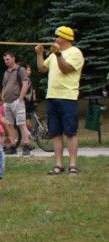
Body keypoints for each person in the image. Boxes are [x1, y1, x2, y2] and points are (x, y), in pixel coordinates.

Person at [35, 26, 84, 175]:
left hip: (68, 97)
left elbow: (66, 69)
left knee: (70, 132)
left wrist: (58, 54)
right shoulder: (53, 54)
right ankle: (58, 165)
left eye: (57, 36)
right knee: (55, 132)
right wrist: (39, 54)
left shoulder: (75, 52)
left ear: (65, 38)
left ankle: (73, 165)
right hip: (52, 96)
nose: (54, 39)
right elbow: (42, 69)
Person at [1, 52, 32, 155]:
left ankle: (26, 146)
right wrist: (2, 99)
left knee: (21, 124)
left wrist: (20, 99)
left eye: (8, 59)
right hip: (7, 102)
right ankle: (12, 146)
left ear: (13, 58)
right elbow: (4, 86)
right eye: (5, 60)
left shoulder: (20, 70)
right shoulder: (6, 72)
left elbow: (25, 83)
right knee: (9, 125)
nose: (6, 61)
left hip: (17, 101)